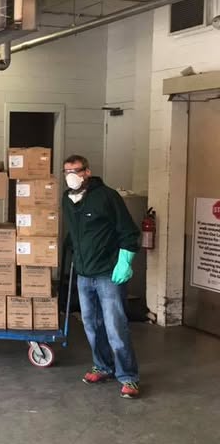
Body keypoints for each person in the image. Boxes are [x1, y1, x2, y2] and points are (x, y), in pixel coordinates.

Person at [62, 154, 141, 399]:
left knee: (115, 327)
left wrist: (125, 261)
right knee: (92, 326)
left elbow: (128, 231)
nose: (71, 176)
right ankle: (103, 366)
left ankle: (128, 377)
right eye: (67, 172)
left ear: (87, 171)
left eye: (76, 170)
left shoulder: (107, 196)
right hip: (84, 274)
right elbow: (76, 234)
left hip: (108, 274)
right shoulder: (67, 199)